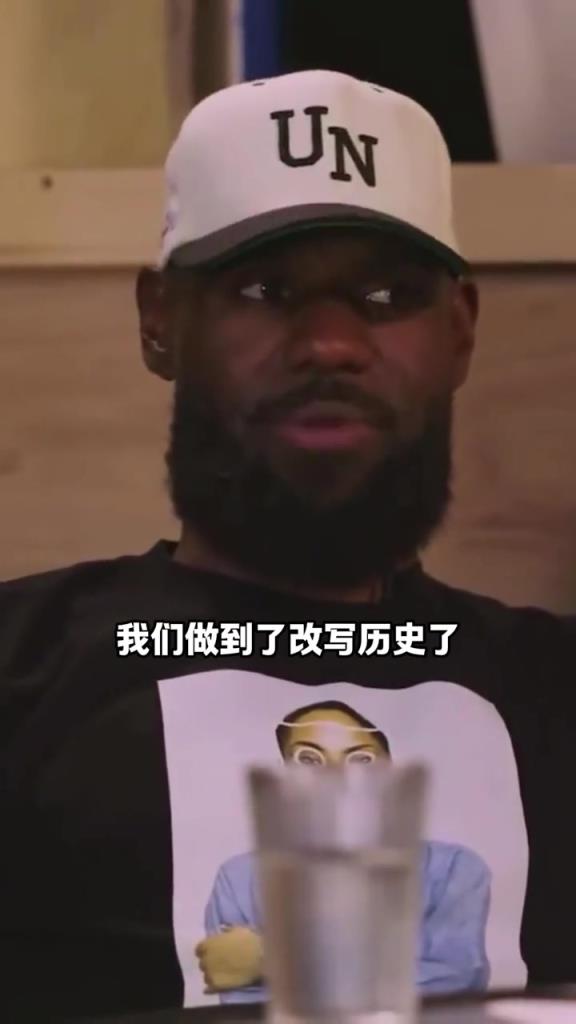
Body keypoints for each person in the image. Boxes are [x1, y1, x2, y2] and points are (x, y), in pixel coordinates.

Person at [1, 68, 575, 1020]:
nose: (331, 343)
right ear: (159, 320)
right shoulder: (22, 677)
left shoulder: (553, 692)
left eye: (386, 294)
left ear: (460, 332)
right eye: (265, 290)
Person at [198, 701, 491, 1000]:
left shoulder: (453, 868)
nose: (335, 776)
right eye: (308, 759)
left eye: (360, 759)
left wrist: (270, 961)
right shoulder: (239, 878)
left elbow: (457, 978)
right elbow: (241, 998)